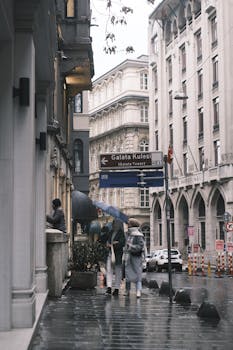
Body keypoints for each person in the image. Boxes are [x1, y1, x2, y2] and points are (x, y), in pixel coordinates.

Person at [124, 218, 145, 298]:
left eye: (128, 224)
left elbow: (140, 246)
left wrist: (131, 246)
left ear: (132, 225)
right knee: (127, 274)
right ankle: (127, 290)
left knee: (137, 274)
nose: (127, 225)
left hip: (136, 257)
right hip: (128, 256)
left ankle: (138, 290)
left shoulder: (138, 235)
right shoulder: (127, 234)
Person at [104, 219, 125, 296]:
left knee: (118, 271)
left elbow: (123, 243)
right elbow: (107, 241)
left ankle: (116, 288)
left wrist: (116, 244)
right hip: (110, 254)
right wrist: (108, 244)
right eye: (114, 223)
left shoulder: (121, 233)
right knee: (109, 270)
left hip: (118, 255)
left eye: (116, 223)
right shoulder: (111, 232)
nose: (114, 225)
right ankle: (109, 287)